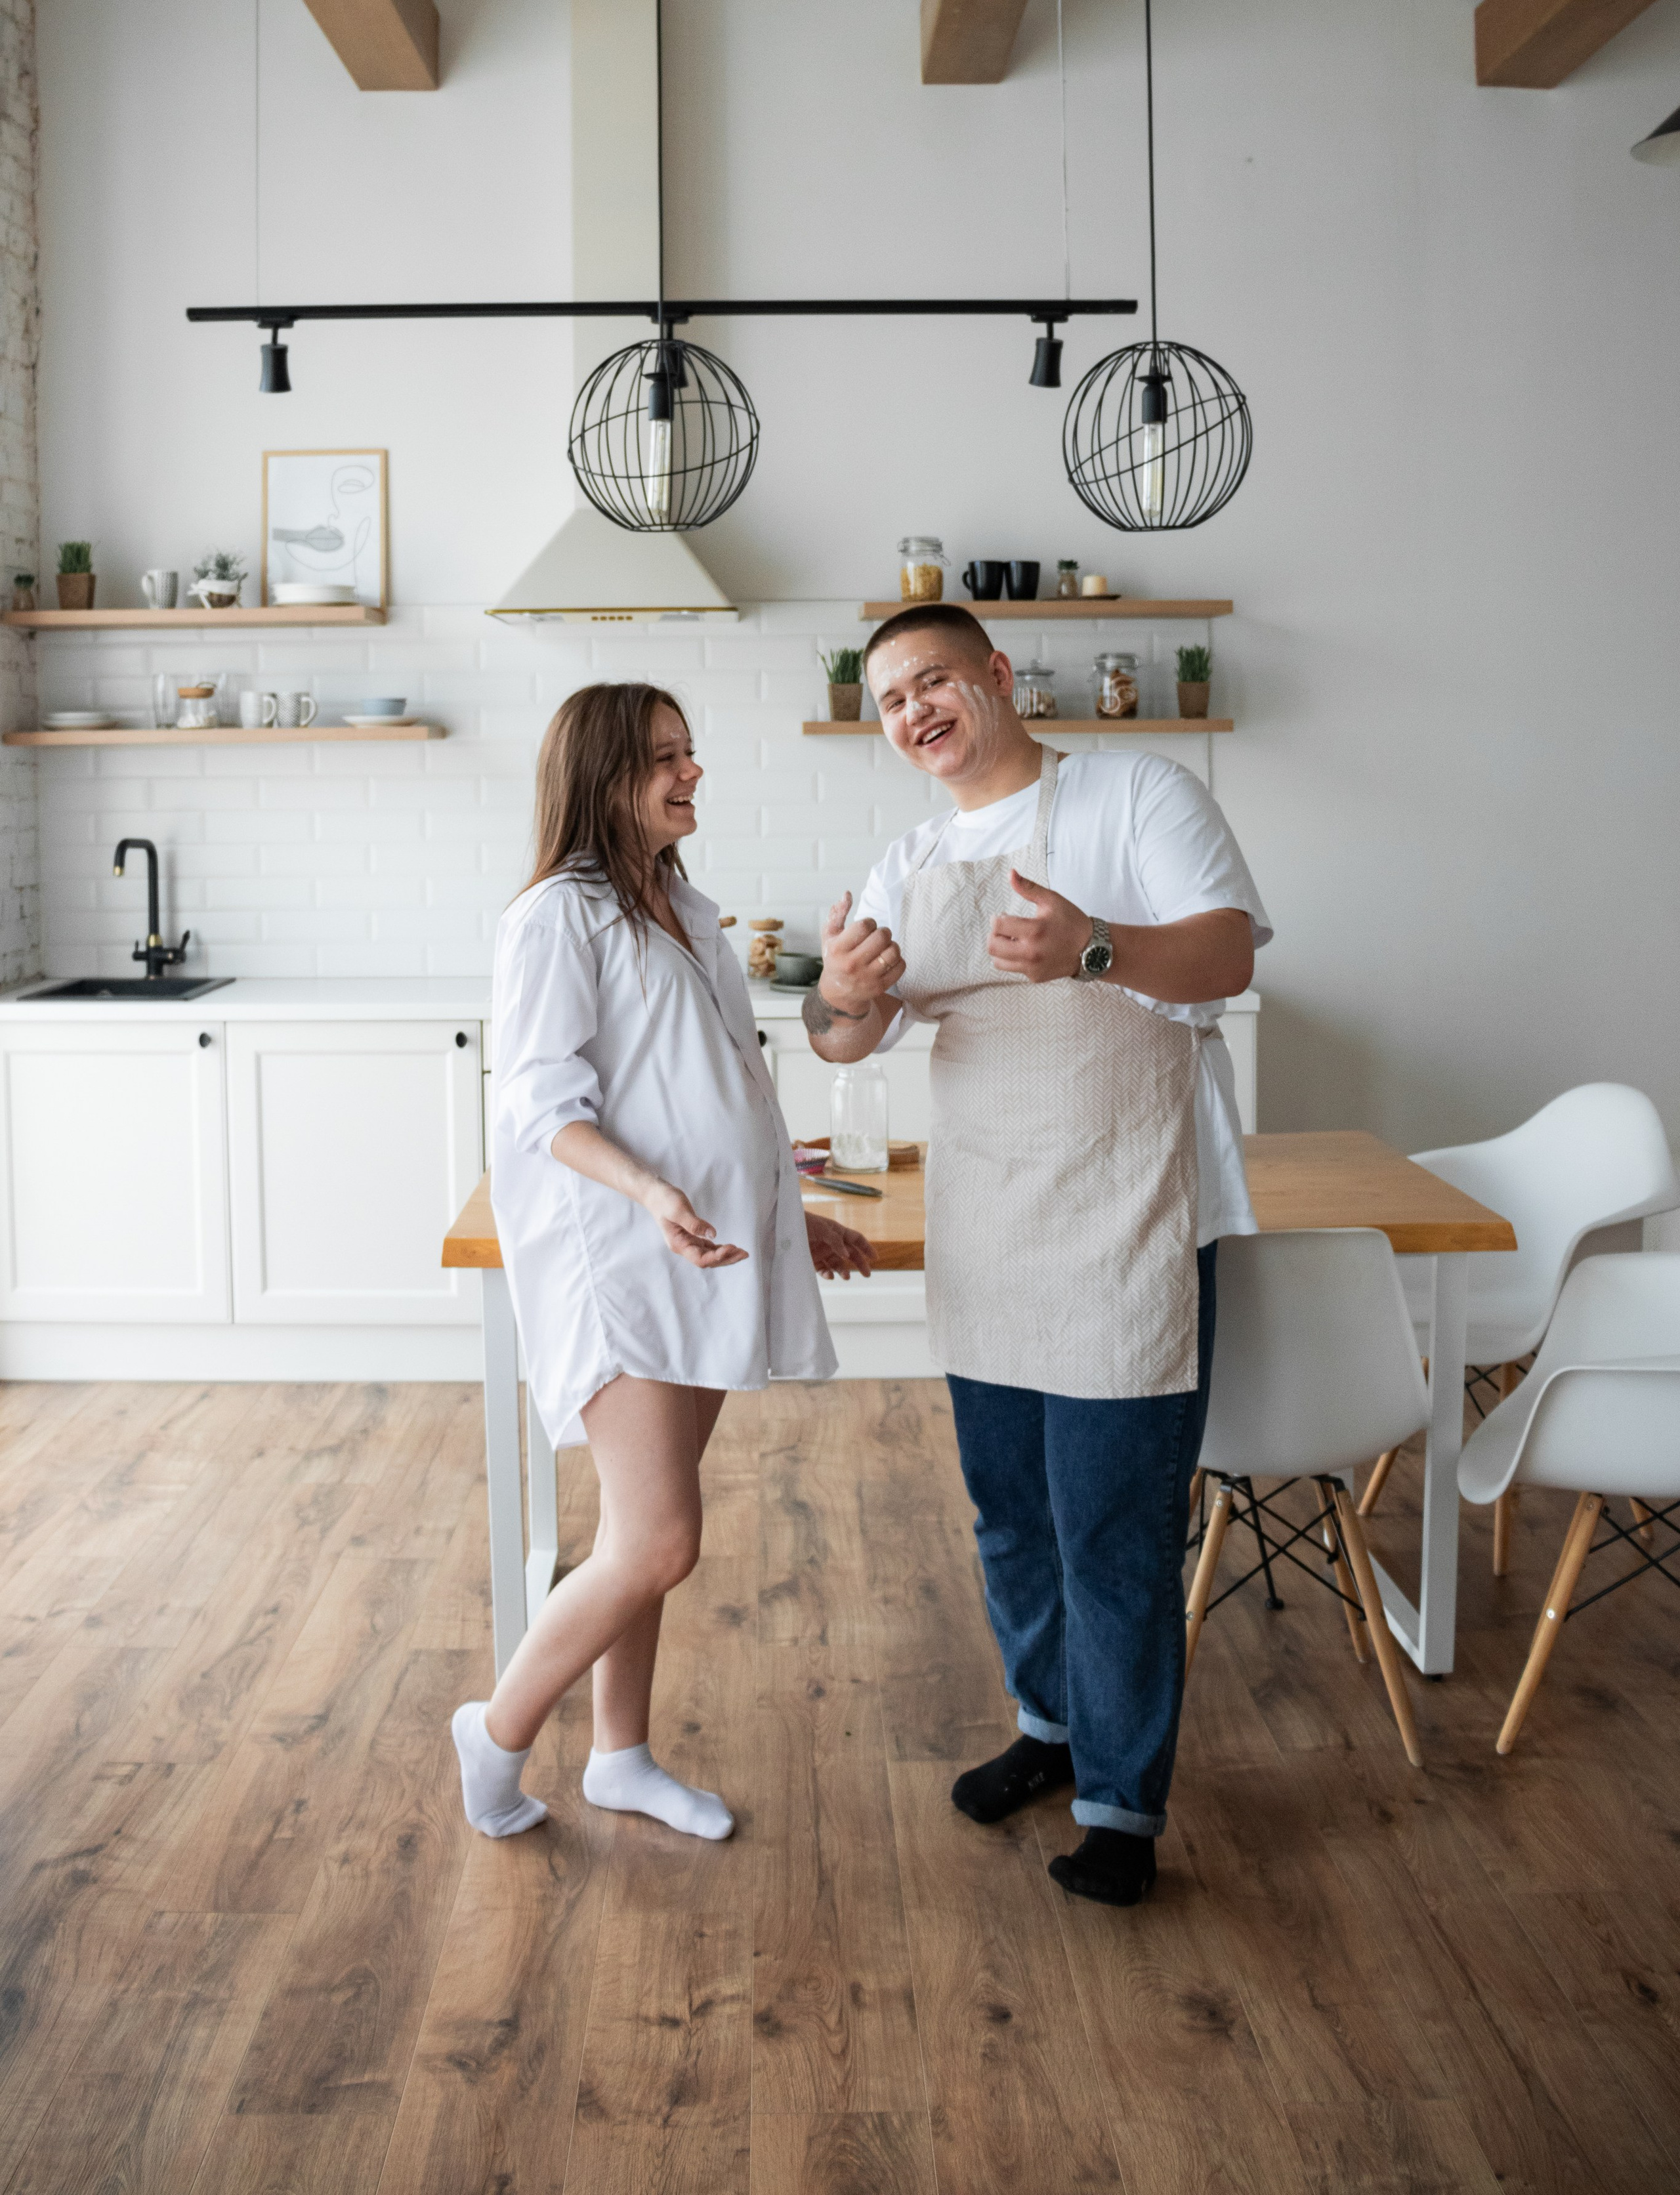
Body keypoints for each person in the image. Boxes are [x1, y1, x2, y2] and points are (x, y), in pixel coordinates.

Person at [805, 607, 1271, 1906]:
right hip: (990, 1229)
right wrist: (838, 989)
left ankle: (1121, 1806)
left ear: (996, 678)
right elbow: (842, 1039)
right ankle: (1047, 1730)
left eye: (934, 679)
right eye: (890, 699)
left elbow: (1227, 951)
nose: (913, 711)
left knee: (1112, 1534)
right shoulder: (909, 858)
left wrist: (1092, 949)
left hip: (1130, 1220)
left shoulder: (1133, 794)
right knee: (1011, 1516)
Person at [453, 681, 874, 1844]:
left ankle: (620, 1759)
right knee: (661, 1541)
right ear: (601, 780)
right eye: (663, 760)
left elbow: (726, 1083)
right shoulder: (555, 917)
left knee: (637, 1539)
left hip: (702, 1252)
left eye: (691, 753)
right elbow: (543, 1104)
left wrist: (796, 1211)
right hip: (622, 1259)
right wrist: (652, 1192)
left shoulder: (685, 904)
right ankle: (493, 1737)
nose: (691, 776)